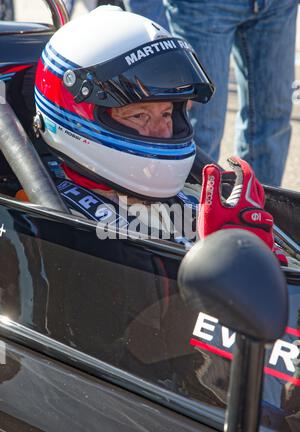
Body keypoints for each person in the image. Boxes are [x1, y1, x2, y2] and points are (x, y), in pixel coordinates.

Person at [32, 5, 286, 263]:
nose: (163, 131)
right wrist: (226, 259)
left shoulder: (192, 199)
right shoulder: (58, 228)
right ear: (78, 119)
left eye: (166, 113)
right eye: (140, 116)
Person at [162, 0, 299, 187]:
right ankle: (191, 212)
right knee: (198, 128)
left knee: (272, 122)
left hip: (278, 6)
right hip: (203, 8)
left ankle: (257, 211)